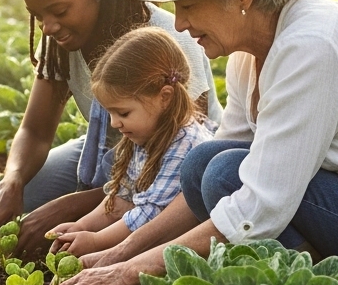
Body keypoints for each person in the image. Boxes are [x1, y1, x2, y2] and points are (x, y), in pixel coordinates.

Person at [45, 0, 338, 285]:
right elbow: (213, 168)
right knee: (204, 162)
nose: (179, 24)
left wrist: (127, 273)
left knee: (223, 173)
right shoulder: (248, 54)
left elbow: (261, 206)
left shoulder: (311, 48)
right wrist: (119, 252)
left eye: (188, 5)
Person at [0, 0, 221, 262]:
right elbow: (34, 131)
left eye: (59, 11)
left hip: (170, 164)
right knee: (25, 192)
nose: (48, 27)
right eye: (38, 16)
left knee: (118, 230)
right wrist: (12, 183)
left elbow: (173, 168)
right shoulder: (62, 43)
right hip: (113, 148)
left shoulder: (167, 39)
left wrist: (73, 208)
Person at [47, 26, 214, 257]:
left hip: (179, 250)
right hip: (148, 242)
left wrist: (96, 241)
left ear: (164, 97)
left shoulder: (185, 144)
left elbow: (150, 213)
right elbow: (123, 198)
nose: (115, 123)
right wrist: (82, 226)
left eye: (123, 113)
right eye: (110, 113)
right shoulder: (148, 133)